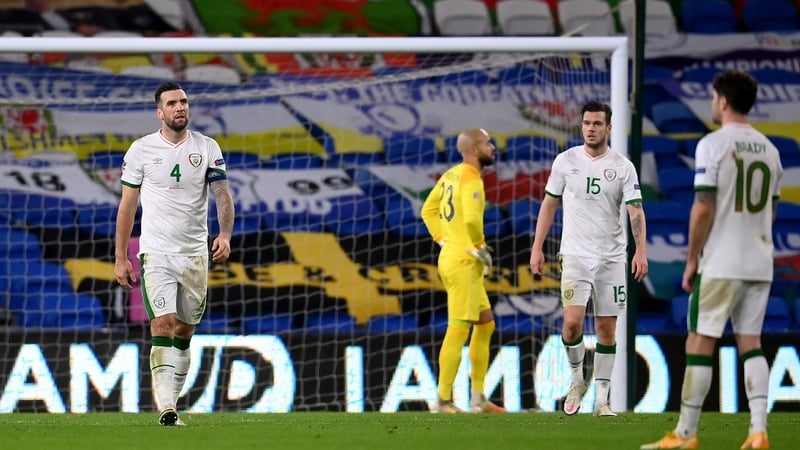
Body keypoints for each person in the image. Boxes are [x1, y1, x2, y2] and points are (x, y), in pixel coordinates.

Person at [641, 71, 782, 450]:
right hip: (760, 260)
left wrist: (691, 260)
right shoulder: (770, 149)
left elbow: (703, 207)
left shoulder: (713, 144)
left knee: (699, 342)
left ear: (721, 100)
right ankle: (758, 432)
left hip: (722, 261)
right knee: (750, 343)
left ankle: (685, 434)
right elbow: (770, 213)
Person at [114, 81, 235, 426]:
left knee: (184, 332)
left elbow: (222, 194)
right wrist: (121, 256)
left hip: (195, 254)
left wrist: (225, 235)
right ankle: (166, 407)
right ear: (160, 112)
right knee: (163, 324)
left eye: (183, 101)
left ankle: (172, 401)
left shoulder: (207, 147)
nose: (180, 107)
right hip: (156, 253)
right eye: (172, 103)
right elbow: (127, 206)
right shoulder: (141, 150)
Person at [529, 101, 648, 417]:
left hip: (611, 259)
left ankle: (603, 400)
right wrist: (537, 247)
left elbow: (636, 211)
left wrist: (641, 250)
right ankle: (577, 379)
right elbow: (549, 204)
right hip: (575, 256)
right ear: (581, 126)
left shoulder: (623, 166)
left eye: (597, 123)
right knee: (571, 325)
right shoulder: (565, 161)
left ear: (609, 128)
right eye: (586, 123)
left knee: (607, 330)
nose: (591, 128)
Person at [420, 128, 506, 414]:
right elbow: (470, 220)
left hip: (454, 256)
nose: (492, 147)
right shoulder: (471, 178)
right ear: (473, 150)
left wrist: (442, 238)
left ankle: (478, 398)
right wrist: (479, 245)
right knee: (457, 329)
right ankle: (443, 400)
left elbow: (427, 211)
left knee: (485, 323)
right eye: (487, 143)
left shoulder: (450, 175)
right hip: (464, 262)